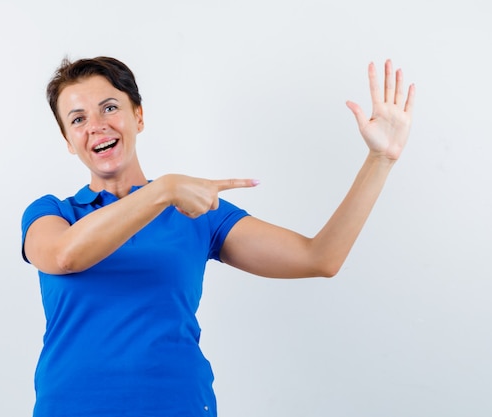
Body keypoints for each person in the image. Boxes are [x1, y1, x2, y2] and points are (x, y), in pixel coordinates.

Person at [21, 56, 415, 416]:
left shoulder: (195, 211)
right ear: (68, 142)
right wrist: (163, 190)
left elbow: (320, 258)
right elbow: (63, 256)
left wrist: (380, 160)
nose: (96, 125)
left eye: (110, 108)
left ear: (138, 116)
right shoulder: (52, 214)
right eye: (77, 119)